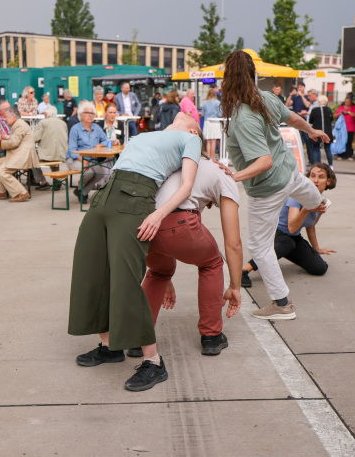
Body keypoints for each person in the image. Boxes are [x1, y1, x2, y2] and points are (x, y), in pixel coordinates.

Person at [69, 112, 203, 392]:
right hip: (105, 195)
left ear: (194, 130)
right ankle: (109, 347)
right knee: (90, 271)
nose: (187, 113)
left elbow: (187, 185)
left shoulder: (190, 140)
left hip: (136, 199)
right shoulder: (146, 134)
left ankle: (153, 362)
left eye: (194, 119)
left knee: (125, 280)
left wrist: (158, 215)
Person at [218, 49, 329, 320]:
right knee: (307, 191)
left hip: (267, 187)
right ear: (253, 75)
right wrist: (311, 130)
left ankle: (282, 305)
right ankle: (320, 203)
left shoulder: (243, 117)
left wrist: (233, 177)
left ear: (228, 80)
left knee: (260, 248)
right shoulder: (266, 97)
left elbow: (263, 161)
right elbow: (293, 119)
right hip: (288, 172)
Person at [135, 156, 242, 357]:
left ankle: (137, 339)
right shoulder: (224, 175)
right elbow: (233, 243)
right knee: (212, 262)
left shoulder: (171, 162)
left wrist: (165, 275)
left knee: (158, 271)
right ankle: (211, 336)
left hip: (143, 224)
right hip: (177, 222)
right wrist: (235, 286)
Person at [242, 163, 336, 288]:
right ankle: (244, 270)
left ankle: (283, 251)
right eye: (312, 176)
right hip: (276, 233)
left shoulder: (322, 201)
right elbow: (292, 227)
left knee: (320, 268)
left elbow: (311, 226)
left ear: (328, 181)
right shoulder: (297, 196)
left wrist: (317, 248)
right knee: (288, 243)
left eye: (321, 177)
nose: (316, 180)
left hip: (292, 237)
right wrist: (306, 209)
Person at [0, 107, 38, 202]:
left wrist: (0, 142)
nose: (4, 119)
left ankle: (22, 192)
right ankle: (1, 192)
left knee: (2, 172)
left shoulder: (19, 125)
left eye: (6, 117)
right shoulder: (19, 123)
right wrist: (6, 137)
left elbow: (14, 143)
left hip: (22, 156)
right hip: (18, 154)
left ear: (13, 116)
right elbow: (17, 138)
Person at [66, 101, 110, 204]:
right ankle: (82, 192)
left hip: (90, 159)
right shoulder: (75, 129)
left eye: (92, 113)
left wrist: (100, 144)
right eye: (87, 113)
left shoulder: (96, 128)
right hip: (74, 158)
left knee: (100, 173)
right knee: (89, 172)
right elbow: (72, 150)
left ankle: (81, 191)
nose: (90, 115)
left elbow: (107, 140)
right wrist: (83, 160)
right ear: (81, 115)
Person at [308, 95, 334, 165]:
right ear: (325, 102)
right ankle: (330, 165)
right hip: (327, 131)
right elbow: (331, 119)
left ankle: (315, 164)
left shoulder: (314, 110)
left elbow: (310, 121)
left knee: (315, 148)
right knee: (328, 149)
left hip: (317, 131)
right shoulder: (328, 110)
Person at [200, 88, 222, 159]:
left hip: (207, 122)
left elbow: (203, 113)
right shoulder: (217, 102)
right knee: (213, 140)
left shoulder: (205, 103)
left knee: (208, 141)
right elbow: (220, 114)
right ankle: (212, 157)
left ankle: (208, 156)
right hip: (215, 122)